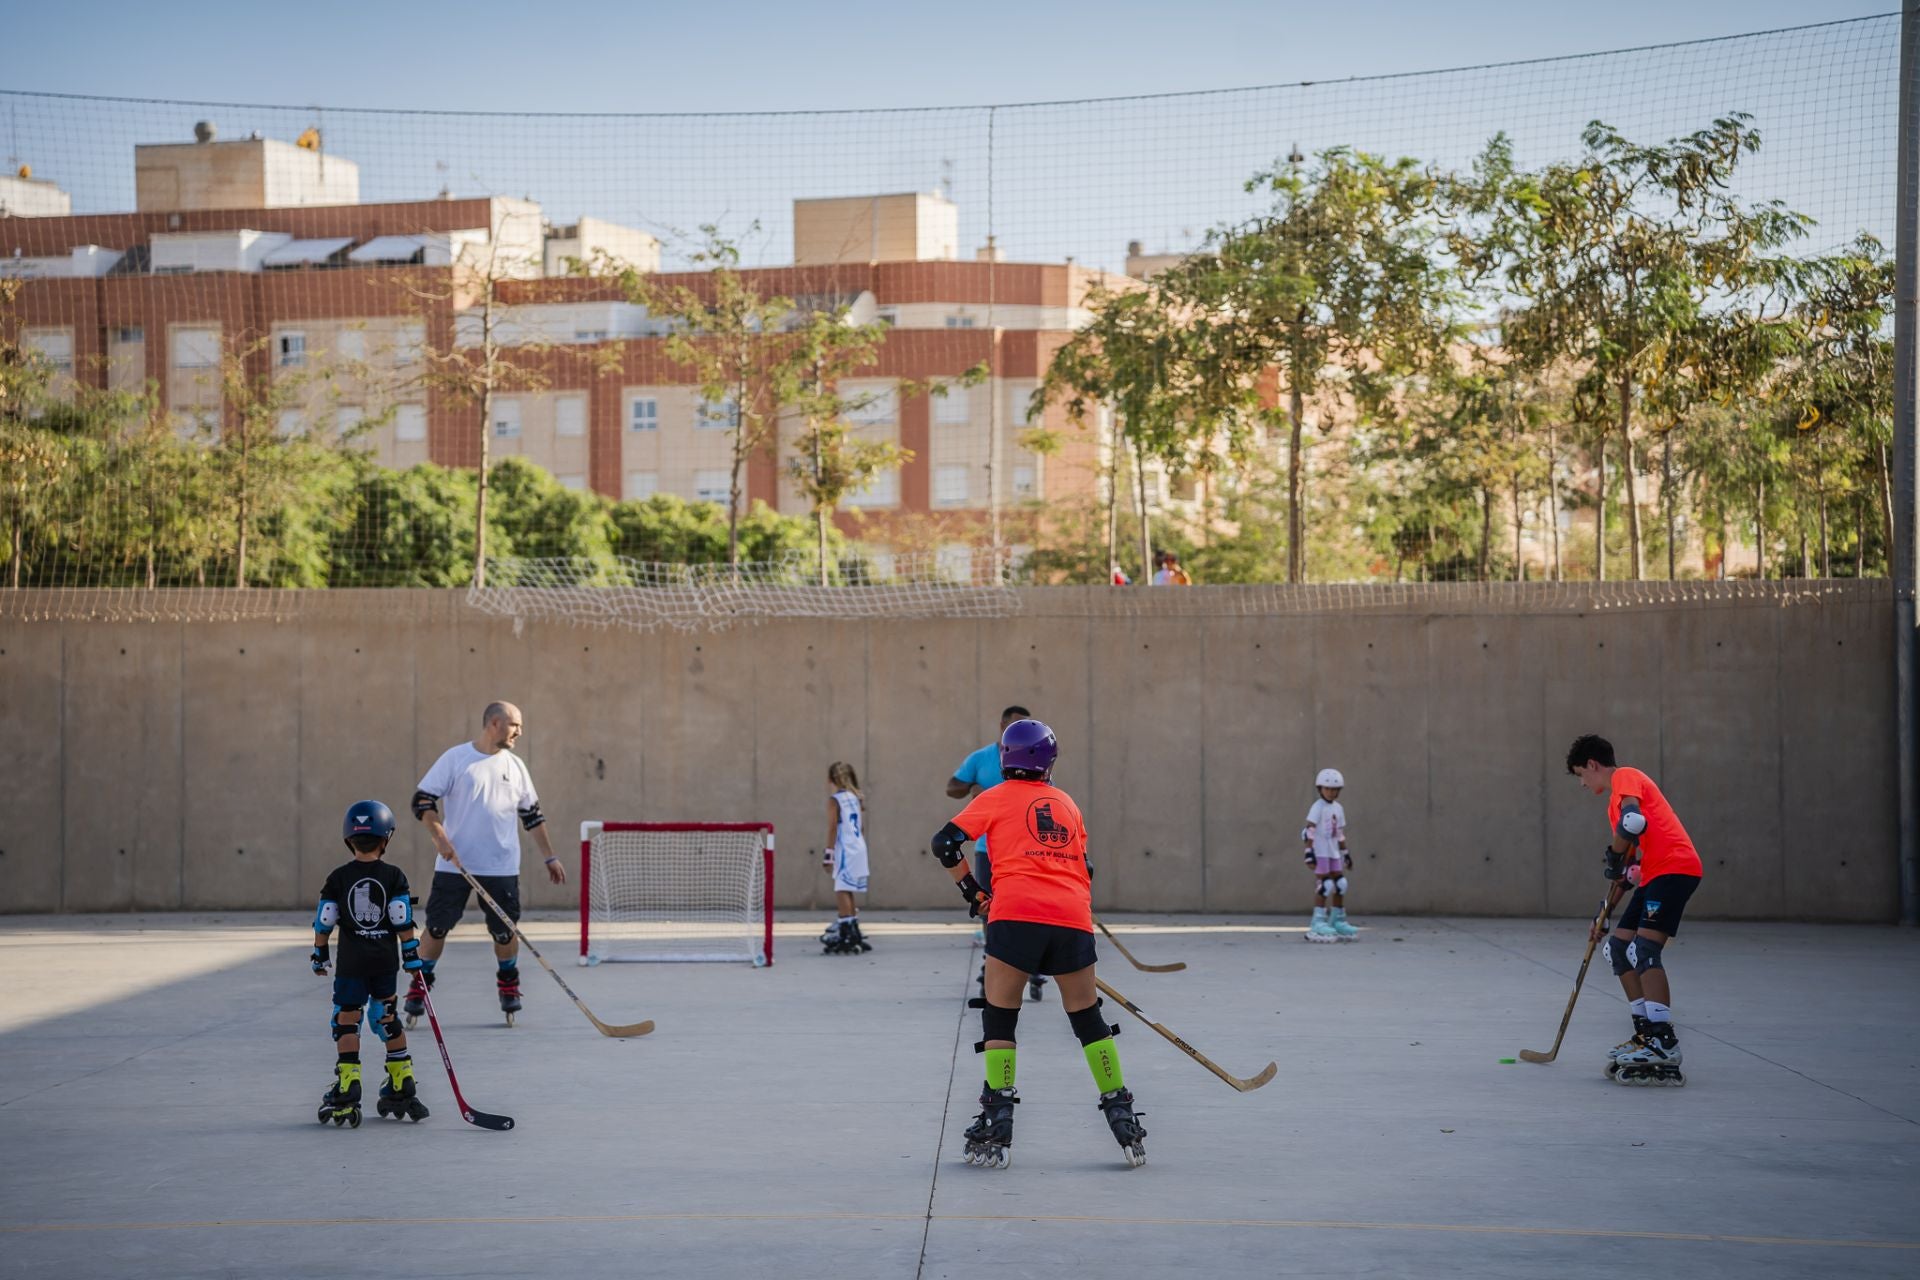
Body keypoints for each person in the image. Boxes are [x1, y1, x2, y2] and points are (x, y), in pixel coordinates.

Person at [930, 718, 1146, 1169]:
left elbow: (946, 844)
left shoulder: (994, 797)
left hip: (1016, 916)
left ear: (1007, 758)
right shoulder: (1067, 803)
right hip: (1072, 916)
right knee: (1088, 1019)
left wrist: (974, 892)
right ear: (1048, 762)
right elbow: (1085, 869)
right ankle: (1121, 1112)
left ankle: (998, 1118)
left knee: (1000, 1018)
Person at [407, 701, 565, 1028]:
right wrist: (439, 837)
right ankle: (420, 986)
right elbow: (422, 801)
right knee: (436, 927)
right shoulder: (456, 759)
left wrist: (550, 856)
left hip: (501, 867)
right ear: (494, 723)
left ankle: (508, 982)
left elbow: (532, 816)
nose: (520, 732)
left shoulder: (516, 766)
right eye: (515, 725)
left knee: (504, 930)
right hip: (455, 865)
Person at [1567, 733, 1704, 1086]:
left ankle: (1664, 1041)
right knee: (1617, 948)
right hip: (1654, 873)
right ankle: (1645, 1034)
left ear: (1594, 765)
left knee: (1643, 949)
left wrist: (1615, 854)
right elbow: (1626, 873)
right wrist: (1604, 914)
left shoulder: (1625, 776)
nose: (1583, 783)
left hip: (1676, 867)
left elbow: (1634, 824)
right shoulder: (1614, 804)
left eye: (1581, 774)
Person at [311, 800, 429, 1126]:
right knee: (387, 1017)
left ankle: (348, 1086)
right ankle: (401, 1080)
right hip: (384, 964)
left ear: (349, 839)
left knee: (347, 1020)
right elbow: (401, 919)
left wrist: (319, 954)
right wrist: (411, 955)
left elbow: (325, 920)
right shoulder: (394, 876)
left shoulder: (337, 878)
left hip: (351, 965)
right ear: (386, 838)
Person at [948, 705, 1047, 1001]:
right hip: (987, 850)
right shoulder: (981, 758)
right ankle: (994, 963)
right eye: (1015, 725)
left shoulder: (1034, 759)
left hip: (1026, 850)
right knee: (990, 909)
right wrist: (973, 786)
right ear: (1002, 725)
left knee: (1031, 909)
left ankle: (1032, 963)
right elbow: (952, 787)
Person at [820, 761, 873, 955]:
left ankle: (846, 932)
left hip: (846, 849)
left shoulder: (835, 800)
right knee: (849, 890)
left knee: (841, 889)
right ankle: (854, 931)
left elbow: (833, 827)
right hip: (859, 847)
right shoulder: (856, 797)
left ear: (831, 779)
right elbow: (862, 827)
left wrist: (829, 855)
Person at [1302, 768, 1358, 942]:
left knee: (1341, 884)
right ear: (1320, 789)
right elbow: (1309, 830)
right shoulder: (1317, 807)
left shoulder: (1339, 808)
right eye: (1328, 789)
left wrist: (1345, 853)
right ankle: (1318, 921)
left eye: (1335, 789)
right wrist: (1309, 852)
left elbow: (1339, 833)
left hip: (1333, 852)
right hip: (1320, 852)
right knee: (1325, 885)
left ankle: (1337, 920)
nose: (1332, 792)